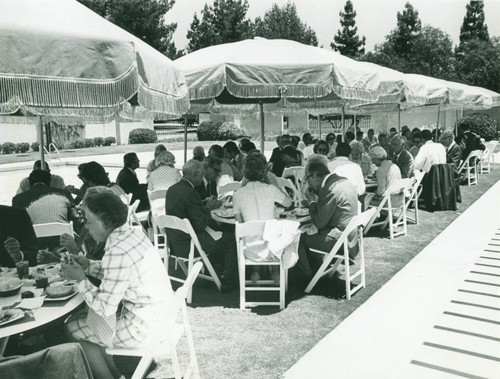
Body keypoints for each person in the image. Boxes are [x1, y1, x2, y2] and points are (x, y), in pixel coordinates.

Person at [62, 190, 173, 379]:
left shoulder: (117, 250)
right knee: (86, 319)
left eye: (88, 221)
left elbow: (105, 308)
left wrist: (81, 280)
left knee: (72, 326)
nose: (86, 228)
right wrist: (88, 265)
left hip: (146, 328)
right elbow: (119, 274)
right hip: (163, 317)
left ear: (104, 219)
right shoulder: (133, 234)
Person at [165, 159, 238, 291]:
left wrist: (203, 204)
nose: (203, 177)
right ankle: (228, 281)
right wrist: (209, 208)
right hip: (190, 244)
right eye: (202, 174)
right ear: (195, 173)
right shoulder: (190, 193)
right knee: (231, 238)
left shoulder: (172, 190)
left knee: (221, 235)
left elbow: (186, 211)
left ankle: (212, 271)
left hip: (174, 243)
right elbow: (200, 224)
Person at [297, 161, 358, 277]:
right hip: (351, 238)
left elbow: (320, 222)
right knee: (309, 232)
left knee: (298, 237)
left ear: (315, 176)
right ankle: (318, 268)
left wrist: (311, 202)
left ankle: (308, 277)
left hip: (340, 241)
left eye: (307, 179)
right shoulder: (343, 180)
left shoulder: (330, 189)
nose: (308, 184)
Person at [233, 153, 292, 223]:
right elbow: (289, 203)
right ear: (264, 170)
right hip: (270, 233)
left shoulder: (237, 194)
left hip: (248, 233)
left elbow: (239, 223)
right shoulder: (271, 189)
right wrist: (271, 182)